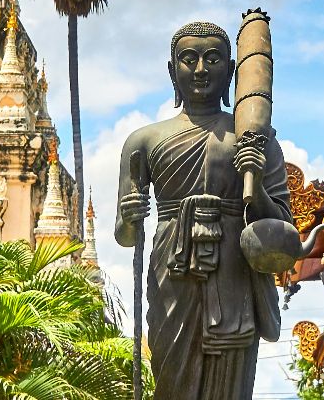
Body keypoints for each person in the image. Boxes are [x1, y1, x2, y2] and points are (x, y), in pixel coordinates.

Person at [116, 22, 291, 400]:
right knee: (171, 375)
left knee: (230, 380)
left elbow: (281, 227)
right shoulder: (143, 140)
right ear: (171, 70)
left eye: (212, 59)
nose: (200, 70)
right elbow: (125, 235)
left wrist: (255, 183)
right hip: (172, 269)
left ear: (230, 71)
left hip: (233, 271)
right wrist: (131, 215)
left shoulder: (255, 138)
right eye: (188, 59)